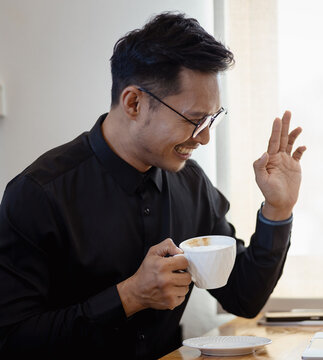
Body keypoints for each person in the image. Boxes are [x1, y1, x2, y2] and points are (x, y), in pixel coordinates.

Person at [0, 12, 306, 359]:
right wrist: (129, 296)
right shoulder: (39, 193)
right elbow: (12, 341)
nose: (204, 137)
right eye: (194, 120)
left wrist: (278, 210)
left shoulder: (192, 185)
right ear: (134, 103)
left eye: (212, 119)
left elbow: (244, 297)